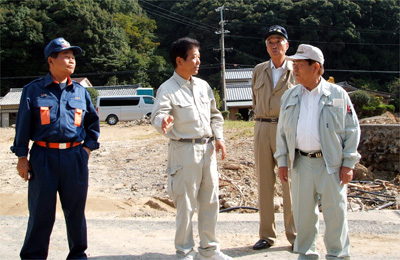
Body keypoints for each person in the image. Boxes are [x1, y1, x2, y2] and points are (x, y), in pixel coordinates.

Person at [11, 37, 100, 259]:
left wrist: (86, 150)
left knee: (76, 212)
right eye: (66, 56)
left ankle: (78, 255)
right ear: (51, 60)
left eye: (73, 57)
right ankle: (34, 256)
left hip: (74, 157)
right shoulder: (33, 90)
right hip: (43, 157)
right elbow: (22, 126)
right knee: (41, 213)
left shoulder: (80, 92)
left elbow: (93, 125)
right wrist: (22, 157)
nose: (71, 61)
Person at [275, 44, 361, 259]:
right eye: (293, 64)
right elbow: (282, 133)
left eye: (300, 64)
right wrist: (283, 161)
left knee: (335, 215)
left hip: (331, 165)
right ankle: (305, 254)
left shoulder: (338, 95)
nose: (294, 68)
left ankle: (337, 255)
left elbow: (352, 129)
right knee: (303, 217)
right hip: (301, 163)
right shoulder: (290, 96)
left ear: (317, 68)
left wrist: (348, 163)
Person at [151, 37, 231, 260]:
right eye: (194, 57)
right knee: (186, 205)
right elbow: (157, 115)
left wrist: (219, 138)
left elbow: (215, 115)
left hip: (207, 150)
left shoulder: (203, 86)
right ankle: (184, 252)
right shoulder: (167, 89)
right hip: (184, 151)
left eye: (198, 57)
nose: (198, 61)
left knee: (210, 201)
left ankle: (209, 249)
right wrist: (163, 122)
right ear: (179, 60)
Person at [251, 25, 297, 251]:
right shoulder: (259, 70)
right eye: (270, 41)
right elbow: (254, 99)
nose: (274, 45)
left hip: (287, 130)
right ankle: (266, 235)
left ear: (287, 45)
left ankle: (295, 235)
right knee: (264, 184)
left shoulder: (296, 69)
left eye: (279, 40)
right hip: (261, 127)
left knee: (289, 183)